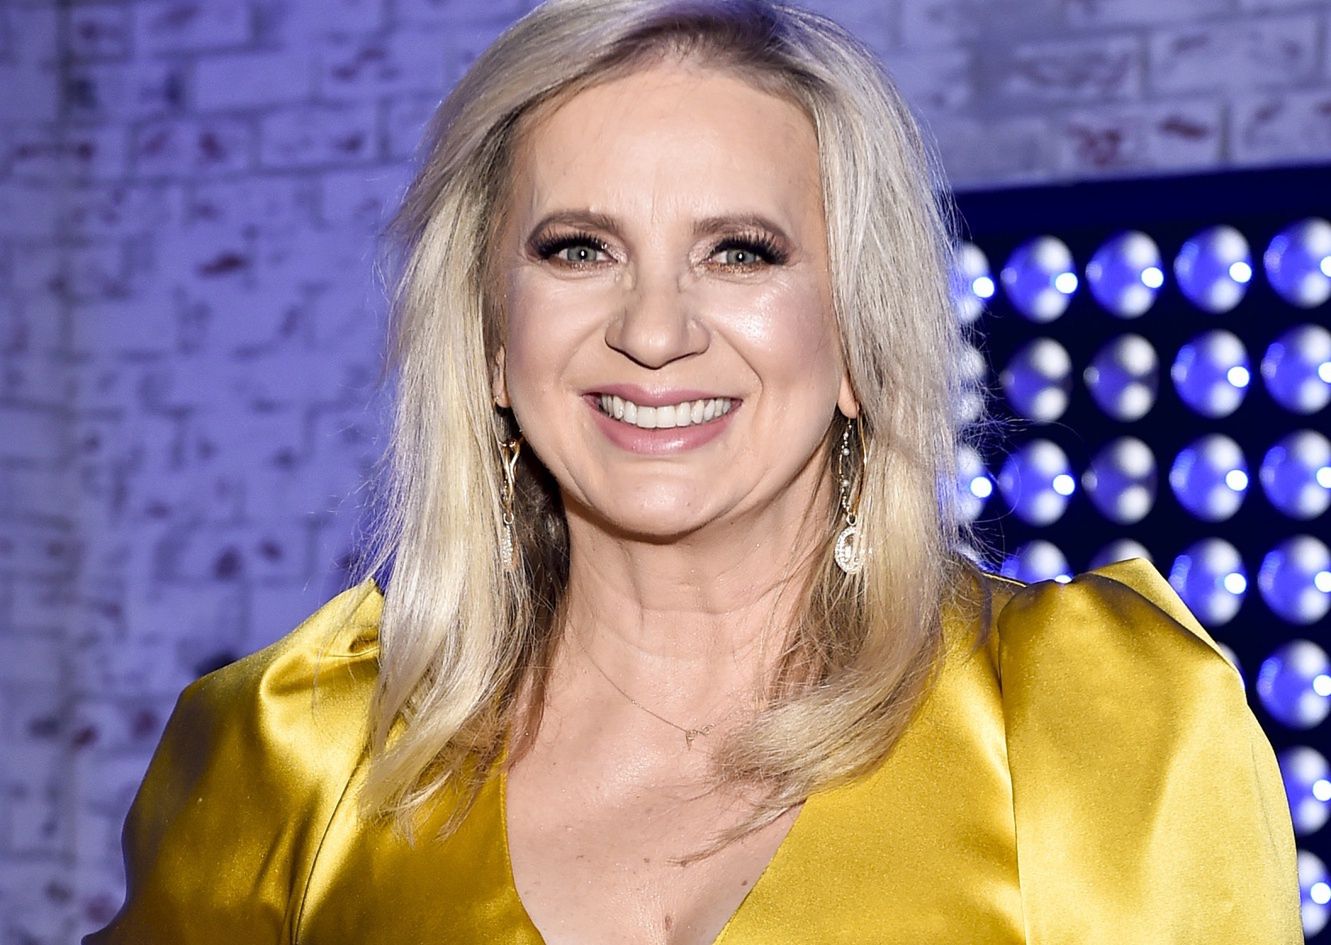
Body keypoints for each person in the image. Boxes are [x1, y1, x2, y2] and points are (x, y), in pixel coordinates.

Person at [86, 0, 1300, 942]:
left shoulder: (1092, 722)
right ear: (493, 340)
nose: (654, 330)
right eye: (578, 249)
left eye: (739, 252)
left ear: (854, 337)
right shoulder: (289, 764)